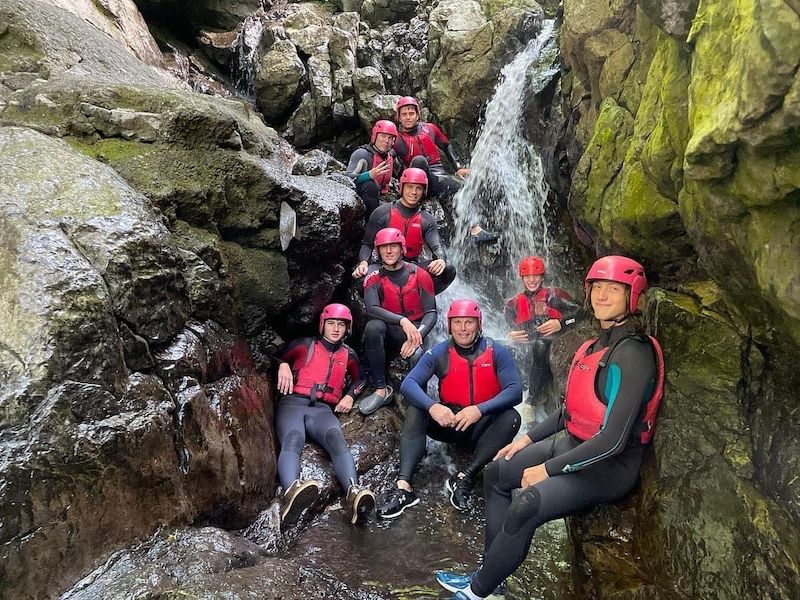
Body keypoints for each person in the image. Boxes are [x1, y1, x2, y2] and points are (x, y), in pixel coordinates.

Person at [435, 256, 665, 600]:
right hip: (575, 441)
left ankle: (477, 593)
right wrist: (524, 440)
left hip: (612, 464)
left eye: (613, 290)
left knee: (527, 503)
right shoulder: (592, 347)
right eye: (597, 288)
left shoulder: (634, 353)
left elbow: (614, 440)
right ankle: (490, 573)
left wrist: (546, 469)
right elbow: (567, 412)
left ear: (632, 296)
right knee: (496, 473)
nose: (602, 296)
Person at [378, 299, 523, 518]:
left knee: (512, 417)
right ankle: (403, 487)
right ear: (449, 325)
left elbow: (515, 391)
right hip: (450, 422)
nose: (463, 328)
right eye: (457, 323)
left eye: (468, 322)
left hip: (481, 426)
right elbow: (409, 384)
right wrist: (433, 406)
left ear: (479, 324)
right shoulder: (439, 351)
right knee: (417, 409)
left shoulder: (497, 351)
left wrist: (479, 410)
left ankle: (465, 477)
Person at [274, 303, 376, 527]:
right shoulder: (304, 345)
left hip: (323, 410)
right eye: (332, 323)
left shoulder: (349, 355)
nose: (336, 329)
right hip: (293, 403)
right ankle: (292, 491)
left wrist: (350, 395)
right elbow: (277, 356)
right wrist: (282, 365)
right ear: (323, 324)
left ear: (347, 328)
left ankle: (353, 492)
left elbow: (361, 379)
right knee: (294, 439)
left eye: (341, 324)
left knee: (336, 440)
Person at [393, 95, 497, 244]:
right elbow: (389, 157)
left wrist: (458, 167)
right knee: (420, 161)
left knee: (465, 183)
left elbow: (446, 145)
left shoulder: (430, 129)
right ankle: (474, 229)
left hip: (438, 173)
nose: (408, 117)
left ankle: (471, 229)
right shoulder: (398, 140)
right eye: (404, 114)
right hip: (418, 182)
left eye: (411, 113)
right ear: (399, 117)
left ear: (417, 114)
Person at [358, 227, 438, 415]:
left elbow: (431, 312)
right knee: (373, 327)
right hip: (390, 332)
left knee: (417, 353)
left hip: (415, 330)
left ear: (402, 248)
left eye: (393, 246)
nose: (389, 251)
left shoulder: (420, 274)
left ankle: (417, 402)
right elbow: (371, 309)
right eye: (384, 247)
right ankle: (381, 389)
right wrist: (402, 320)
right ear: (377, 252)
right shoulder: (373, 276)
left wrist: (418, 335)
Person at [352, 167, 456, 294]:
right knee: (360, 279)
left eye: (418, 188)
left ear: (424, 191)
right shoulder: (382, 213)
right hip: (383, 266)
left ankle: (418, 300)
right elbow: (367, 244)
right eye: (410, 187)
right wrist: (363, 263)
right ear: (402, 188)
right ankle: (387, 302)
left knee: (448, 269)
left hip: (411, 268)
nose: (414, 192)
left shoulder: (426, 219)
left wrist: (441, 259)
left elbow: (437, 246)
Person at [504, 256, 580, 416]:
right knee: (501, 347)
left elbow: (582, 313)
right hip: (528, 344)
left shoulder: (554, 295)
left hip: (553, 341)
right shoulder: (512, 304)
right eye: (528, 276)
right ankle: (517, 393)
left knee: (540, 346)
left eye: (536, 276)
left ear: (542, 277)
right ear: (522, 278)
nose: (532, 280)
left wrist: (561, 323)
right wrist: (511, 336)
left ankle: (531, 401)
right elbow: (511, 330)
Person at [346, 119, 398, 218]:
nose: (386, 141)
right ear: (374, 136)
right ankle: (371, 221)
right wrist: (369, 175)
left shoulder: (391, 155)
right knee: (370, 184)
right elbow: (348, 179)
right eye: (382, 136)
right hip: (361, 198)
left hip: (382, 197)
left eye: (390, 138)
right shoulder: (362, 154)